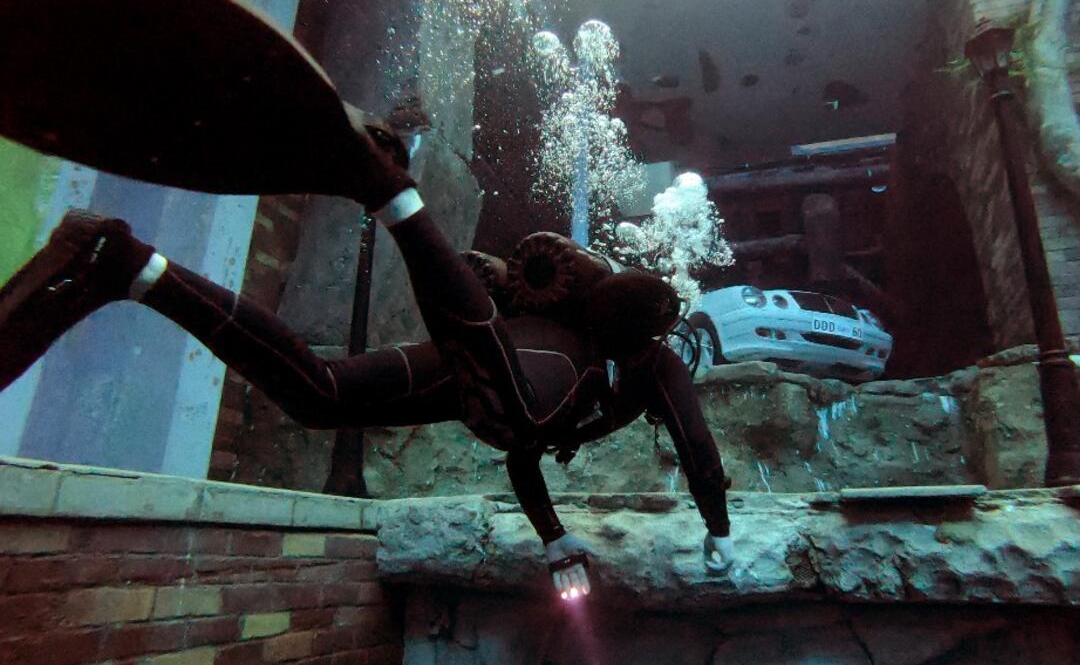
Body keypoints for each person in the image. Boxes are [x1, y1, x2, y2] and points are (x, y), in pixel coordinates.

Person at [0, 127, 734, 600]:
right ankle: (390, 190)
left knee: (319, 398)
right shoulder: (654, 367)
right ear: (661, 330)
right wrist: (720, 533)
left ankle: (131, 266)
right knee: (516, 404)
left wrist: (555, 536)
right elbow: (700, 453)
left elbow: (523, 458)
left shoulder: (602, 357)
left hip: (481, 381)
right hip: (505, 379)